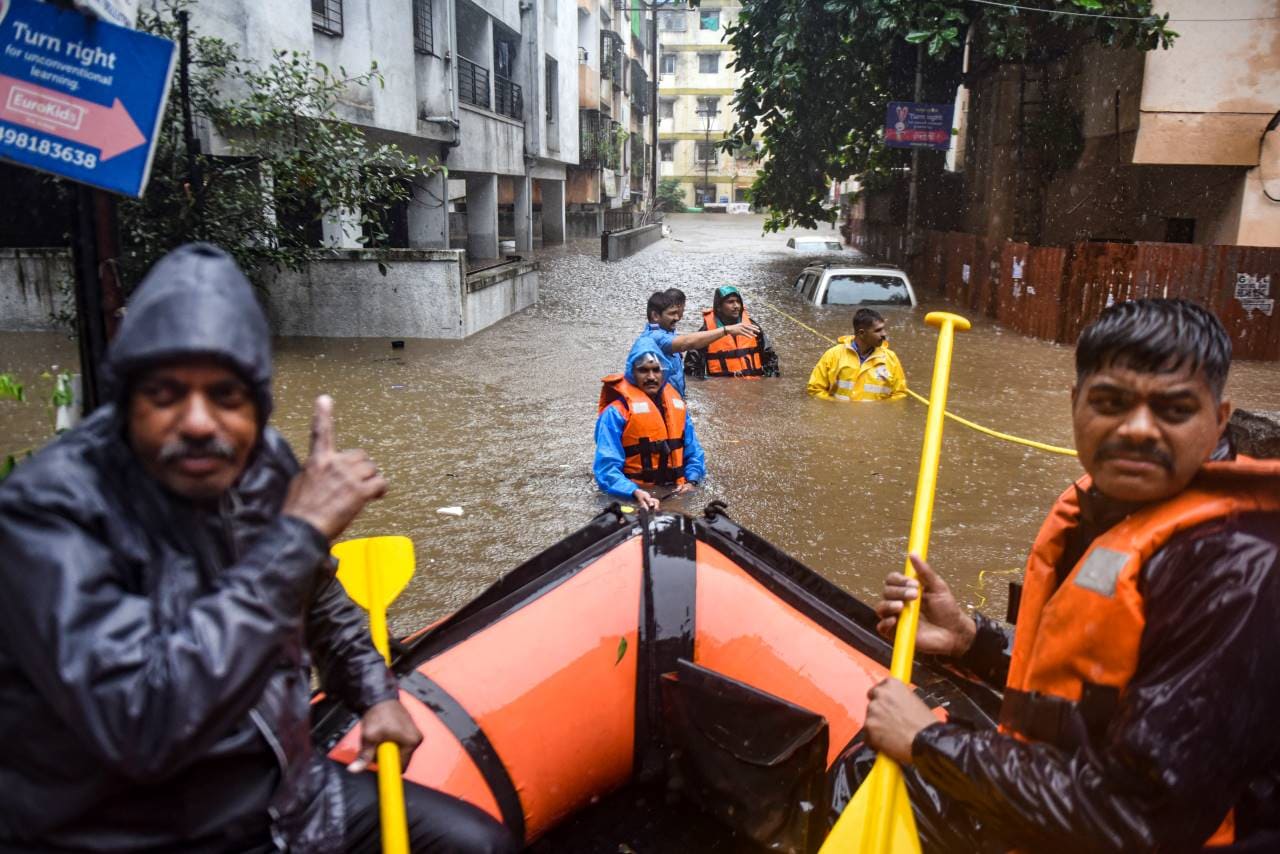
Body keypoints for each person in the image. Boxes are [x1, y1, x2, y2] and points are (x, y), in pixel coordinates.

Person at [0, 245, 516, 854]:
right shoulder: (48, 511)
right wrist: (297, 536)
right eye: (165, 394)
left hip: (282, 797)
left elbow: (318, 594)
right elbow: (142, 724)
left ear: (258, 406)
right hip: (122, 828)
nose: (198, 422)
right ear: (125, 403)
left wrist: (374, 694)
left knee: (475, 844)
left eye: (226, 396)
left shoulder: (262, 464)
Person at [864, 299, 1280, 851]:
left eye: (1173, 410)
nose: (1136, 430)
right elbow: (1102, 681)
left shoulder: (1235, 566)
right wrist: (973, 640)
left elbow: (1138, 816)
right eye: (1109, 403)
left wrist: (929, 741)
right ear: (1074, 403)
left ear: (1219, 418)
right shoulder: (1116, 509)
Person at [594, 337, 706, 511]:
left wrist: (691, 481)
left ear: (664, 372)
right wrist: (633, 492)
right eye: (643, 371)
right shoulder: (615, 413)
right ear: (632, 373)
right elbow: (606, 468)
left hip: (676, 490)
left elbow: (694, 454)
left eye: (656, 370)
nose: (651, 377)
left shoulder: (678, 407)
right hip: (632, 494)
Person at [638, 289, 758, 398]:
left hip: (675, 399)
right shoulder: (655, 338)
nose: (677, 318)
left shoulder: (666, 332)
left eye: (678, 312)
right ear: (655, 316)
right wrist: (727, 330)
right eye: (672, 314)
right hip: (663, 402)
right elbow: (687, 343)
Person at [805, 307, 906, 401]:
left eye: (883, 329)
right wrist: (836, 406)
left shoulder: (890, 358)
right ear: (862, 333)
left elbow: (899, 395)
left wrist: (878, 412)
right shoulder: (833, 355)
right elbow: (815, 389)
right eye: (878, 330)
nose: (884, 334)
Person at [685, 286, 780, 379]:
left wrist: (771, 381)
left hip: (753, 386)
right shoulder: (708, 332)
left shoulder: (752, 326)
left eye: (738, 302)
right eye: (730, 302)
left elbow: (770, 357)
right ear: (718, 307)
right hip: (722, 390)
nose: (736, 306)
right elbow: (692, 367)